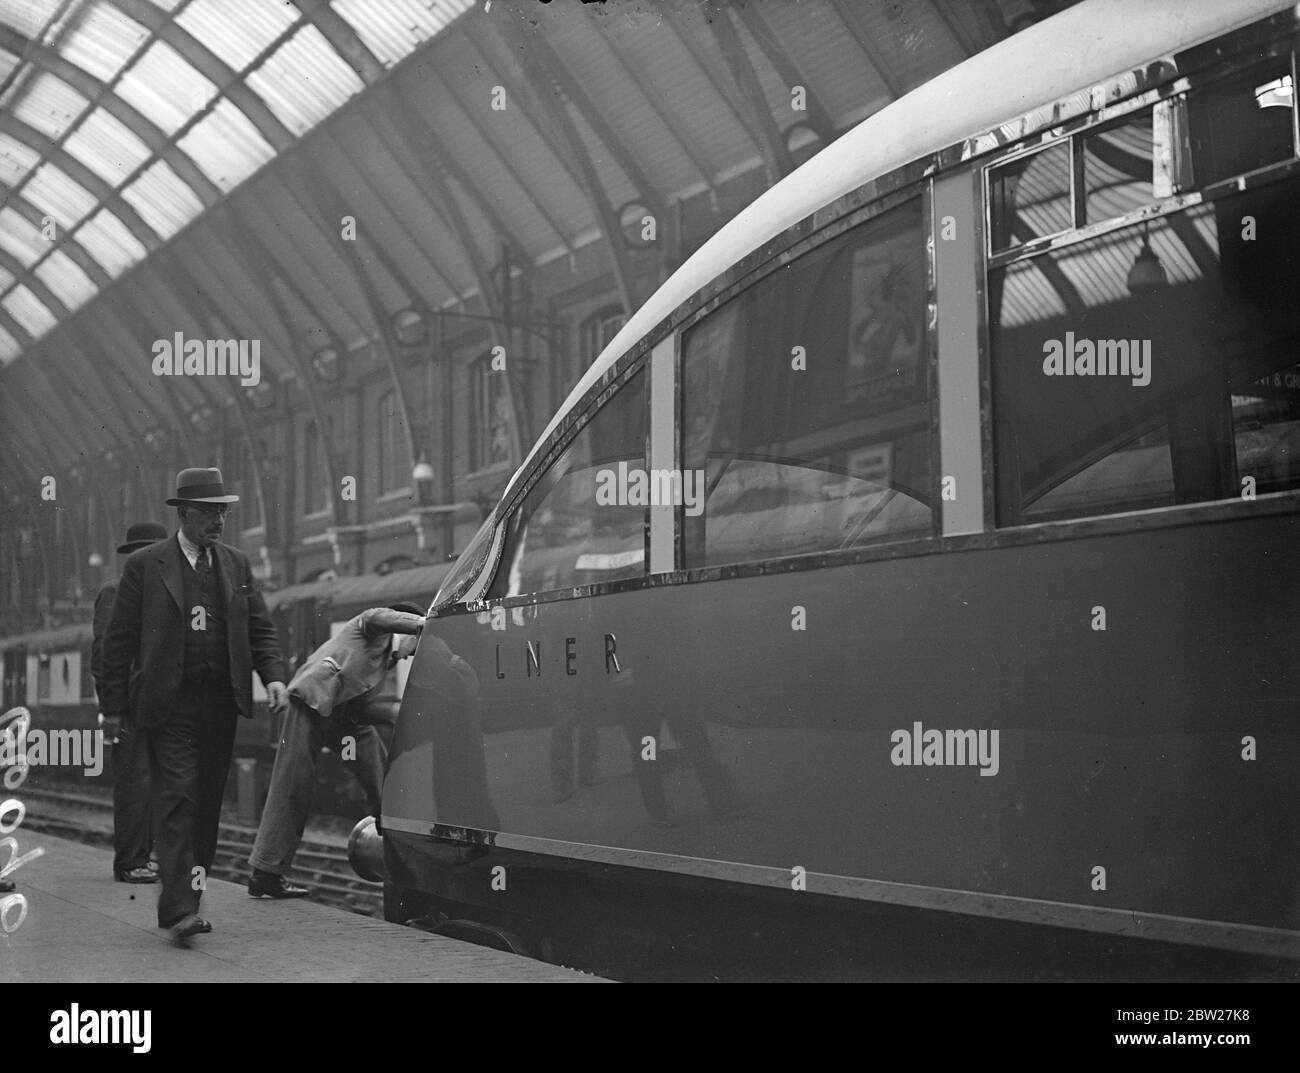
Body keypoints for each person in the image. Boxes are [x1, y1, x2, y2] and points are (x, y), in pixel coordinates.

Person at [100, 468, 288, 943]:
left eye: (223, 511)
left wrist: (275, 678)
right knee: (178, 799)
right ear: (183, 513)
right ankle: (179, 910)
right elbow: (118, 643)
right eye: (209, 512)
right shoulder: (146, 565)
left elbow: (259, 629)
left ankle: (191, 897)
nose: (219, 521)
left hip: (220, 705)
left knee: (205, 806)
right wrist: (113, 709)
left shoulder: (236, 565)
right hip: (169, 707)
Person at [247, 603, 425, 897]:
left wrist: (399, 713)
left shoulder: (388, 660)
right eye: (418, 644)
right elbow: (380, 616)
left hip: (343, 717)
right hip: (311, 701)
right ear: (403, 629)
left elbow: (363, 704)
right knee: (293, 786)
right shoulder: (369, 627)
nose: (415, 654)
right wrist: (424, 624)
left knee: (378, 770)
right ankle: (265, 874)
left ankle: (397, 846)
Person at [91, 521, 168, 884]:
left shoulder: (162, 594)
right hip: (129, 705)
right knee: (134, 784)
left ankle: (144, 856)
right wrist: (112, 708)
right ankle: (130, 861)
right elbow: (105, 655)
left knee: (154, 784)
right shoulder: (115, 592)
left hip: (161, 705)